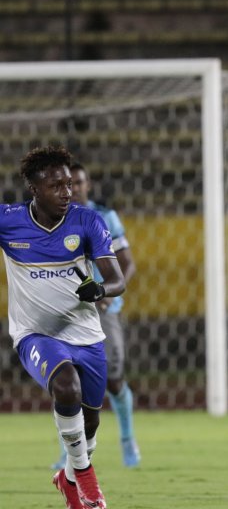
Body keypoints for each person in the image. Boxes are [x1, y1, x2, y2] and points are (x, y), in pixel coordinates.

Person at [1, 146, 127, 509]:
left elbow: (117, 279)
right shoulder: (9, 221)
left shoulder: (88, 222)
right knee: (65, 387)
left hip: (84, 333)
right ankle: (85, 474)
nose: (66, 191)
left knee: (89, 422)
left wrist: (100, 290)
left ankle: (68, 481)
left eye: (69, 184)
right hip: (35, 333)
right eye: (56, 185)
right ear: (34, 188)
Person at [51, 162, 140, 469]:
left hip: (103, 309)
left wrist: (105, 294)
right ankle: (70, 452)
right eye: (67, 184)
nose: (73, 188)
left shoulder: (105, 218)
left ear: (87, 185)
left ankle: (128, 439)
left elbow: (127, 264)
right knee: (68, 379)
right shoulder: (55, 220)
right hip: (67, 311)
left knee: (113, 379)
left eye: (78, 183)